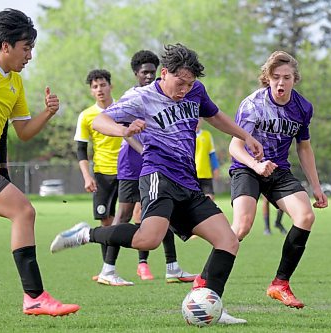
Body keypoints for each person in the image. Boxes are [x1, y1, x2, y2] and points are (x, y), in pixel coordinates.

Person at [50, 43, 263, 324]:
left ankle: (211, 304)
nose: (185, 89)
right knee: (147, 240)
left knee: (228, 241)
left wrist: (245, 136)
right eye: (180, 82)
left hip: (188, 182)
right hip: (157, 177)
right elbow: (100, 122)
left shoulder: (195, 91)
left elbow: (214, 116)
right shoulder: (141, 98)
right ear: (164, 73)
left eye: (189, 84)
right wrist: (123, 130)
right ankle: (85, 234)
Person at [0, 8, 79, 316]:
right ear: (6, 45)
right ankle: (34, 296)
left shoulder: (14, 83)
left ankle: (34, 297)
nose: (29, 55)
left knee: (23, 212)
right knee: (23, 211)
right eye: (26, 47)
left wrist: (48, 113)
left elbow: (24, 132)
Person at [228, 51, 327, 309]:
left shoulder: (302, 108)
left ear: (295, 79)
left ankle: (280, 284)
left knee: (305, 217)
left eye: (287, 77)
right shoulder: (252, 104)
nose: (281, 83)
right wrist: (256, 165)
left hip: (278, 170)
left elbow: (304, 147)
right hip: (247, 167)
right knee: (242, 226)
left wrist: (316, 187)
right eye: (275, 77)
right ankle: (205, 282)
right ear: (267, 78)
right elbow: (235, 147)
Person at [113, 49, 196, 283]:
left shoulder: (170, 94)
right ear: (136, 74)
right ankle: (109, 267)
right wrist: (144, 149)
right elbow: (123, 129)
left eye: (152, 72)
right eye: (144, 73)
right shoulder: (133, 96)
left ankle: (169, 266)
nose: (149, 77)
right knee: (128, 215)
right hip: (132, 164)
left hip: (159, 165)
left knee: (160, 215)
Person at [74, 69, 132, 286]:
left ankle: (111, 269)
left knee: (125, 218)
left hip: (127, 172)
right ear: (91, 91)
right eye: (95, 86)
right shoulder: (87, 115)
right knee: (106, 221)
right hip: (102, 175)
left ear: (111, 86)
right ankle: (108, 269)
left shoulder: (123, 108)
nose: (99, 89)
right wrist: (87, 176)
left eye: (102, 85)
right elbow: (81, 149)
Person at [195, 118, 220, 200]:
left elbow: (212, 154)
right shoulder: (186, 136)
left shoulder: (207, 135)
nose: (197, 121)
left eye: (199, 118)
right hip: (191, 174)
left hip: (205, 174)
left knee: (209, 198)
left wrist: (216, 168)